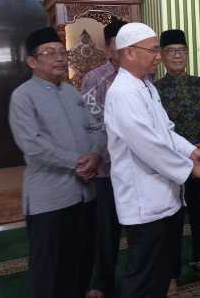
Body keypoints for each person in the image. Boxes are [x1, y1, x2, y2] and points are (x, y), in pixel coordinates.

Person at [104, 22, 200, 298]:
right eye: (153, 50)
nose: (159, 56)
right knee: (142, 277)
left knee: (160, 272)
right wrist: (192, 168)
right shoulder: (123, 93)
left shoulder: (145, 86)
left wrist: (191, 151)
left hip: (164, 197)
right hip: (144, 202)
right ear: (129, 52)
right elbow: (148, 145)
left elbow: (165, 131)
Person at [9, 27, 102, 298]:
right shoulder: (23, 96)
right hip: (49, 199)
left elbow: (96, 128)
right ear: (32, 61)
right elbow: (32, 144)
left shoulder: (72, 92)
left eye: (62, 52)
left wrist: (95, 155)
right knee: (49, 271)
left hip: (84, 195)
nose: (59, 58)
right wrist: (77, 163)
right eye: (50, 53)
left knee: (81, 264)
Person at [154, 29, 200, 287]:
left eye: (181, 51)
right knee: (171, 222)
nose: (177, 56)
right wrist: (184, 151)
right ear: (162, 56)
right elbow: (157, 131)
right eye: (171, 51)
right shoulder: (155, 90)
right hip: (170, 165)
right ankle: (170, 275)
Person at [81, 18, 127, 298]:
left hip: (135, 169)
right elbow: (93, 125)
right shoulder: (94, 79)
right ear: (109, 48)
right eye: (120, 44)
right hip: (107, 170)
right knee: (106, 230)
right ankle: (101, 282)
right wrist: (104, 154)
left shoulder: (144, 77)